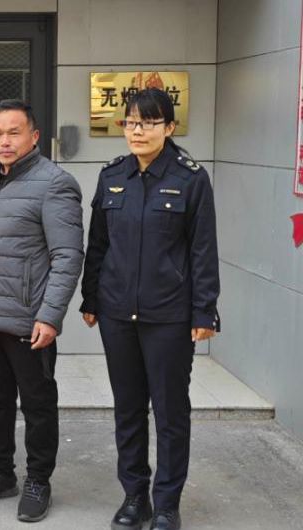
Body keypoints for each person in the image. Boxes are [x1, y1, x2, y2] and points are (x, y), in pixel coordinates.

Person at [80, 88, 220, 530]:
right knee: (128, 409)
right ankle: (134, 497)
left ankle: (166, 504)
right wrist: (90, 297)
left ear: (169, 127)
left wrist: (204, 311)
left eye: (148, 122)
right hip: (117, 313)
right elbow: (98, 243)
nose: (137, 131)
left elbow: (202, 251)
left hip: (169, 316)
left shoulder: (191, 179)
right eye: (130, 122)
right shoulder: (112, 176)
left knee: (170, 412)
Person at [0, 99, 84, 522]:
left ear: (34, 136)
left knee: (37, 403)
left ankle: (38, 480)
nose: (5, 141)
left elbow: (68, 256)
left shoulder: (55, 184)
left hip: (29, 319)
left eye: (14, 132)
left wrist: (50, 315)